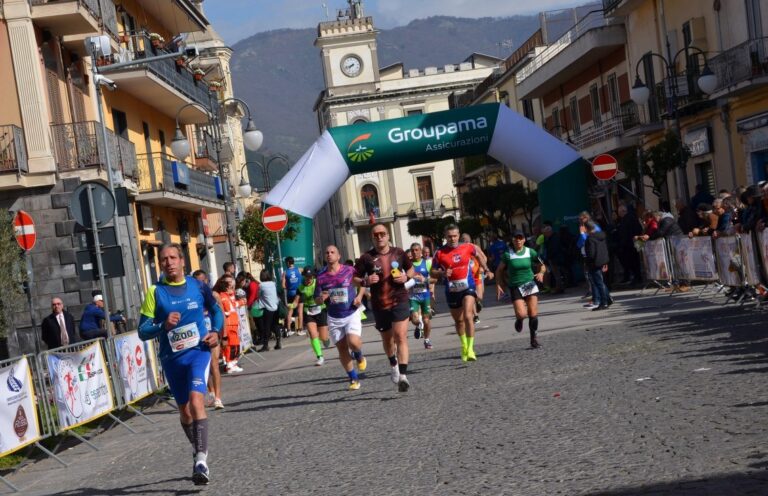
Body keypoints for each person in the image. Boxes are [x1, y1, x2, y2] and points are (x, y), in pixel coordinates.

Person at [138, 243, 223, 485]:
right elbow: (142, 331)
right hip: (172, 359)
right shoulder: (155, 292)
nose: (169, 262)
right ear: (160, 264)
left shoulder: (197, 286)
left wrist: (216, 331)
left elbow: (216, 312)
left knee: (197, 402)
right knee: (185, 413)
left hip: (198, 352)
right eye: (164, 259)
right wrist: (162, 325)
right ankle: (198, 451)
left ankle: (201, 462)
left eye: (173, 257)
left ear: (182, 261)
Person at [354, 223, 416, 392]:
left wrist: (405, 277)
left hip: (400, 299)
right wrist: (366, 281)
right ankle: (393, 363)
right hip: (380, 304)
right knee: (388, 340)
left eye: (382, 234)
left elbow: (411, 270)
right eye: (376, 235)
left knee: (400, 336)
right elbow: (355, 278)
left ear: (388, 235)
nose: (379, 237)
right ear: (372, 238)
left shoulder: (399, 253)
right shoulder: (366, 258)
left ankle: (403, 376)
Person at [432, 224, 493, 361]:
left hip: (468, 287)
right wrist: (442, 273)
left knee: (467, 316)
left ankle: (471, 349)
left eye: (454, 236)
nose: (452, 239)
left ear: (458, 235)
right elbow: (433, 272)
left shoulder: (468, 247)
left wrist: (487, 269)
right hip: (452, 290)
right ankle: (464, 345)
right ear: (445, 237)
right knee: (459, 321)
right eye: (449, 236)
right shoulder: (440, 253)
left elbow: (480, 257)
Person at [317, 245, 367, 390]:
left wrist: (359, 296)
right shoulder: (321, 276)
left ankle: (359, 355)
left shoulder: (348, 270)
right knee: (342, 349)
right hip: (334, 317)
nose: (329, 254)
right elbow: (317, 299)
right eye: (327, 252)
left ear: (338, 256)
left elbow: (362, 283)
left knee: (354, 342)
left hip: (351, 312)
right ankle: (353, 379)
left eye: (332, 252)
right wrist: (322, 298)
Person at [495, 230, 546, 348]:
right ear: (512, 240)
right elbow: (499, 271)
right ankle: (519, 320)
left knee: (533, 313)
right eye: (515, 238)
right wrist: (499, 284)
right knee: (522, 314)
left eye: (520, 238)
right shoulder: (508, 254)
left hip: (529, 284)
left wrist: (541, 273)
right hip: (515, 286)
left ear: (524, 240)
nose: (518, 240)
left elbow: (542, 265)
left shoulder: (530, 252)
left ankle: (534, 340)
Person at [193, 270, 224, 410]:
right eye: (196, 282)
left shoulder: (213, 295)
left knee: (214, 365)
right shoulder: (192, 297)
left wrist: (219, 332)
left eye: (202, 281)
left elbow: (220, 313)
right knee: (204, 368)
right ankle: (211, 392)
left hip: (212, 334)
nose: (199, 285)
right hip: (198, 337)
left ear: (206, 281)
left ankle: (218, 397)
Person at [297, 267, 329, 366]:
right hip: (309, 312)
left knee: (324, 338)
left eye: (310, 277)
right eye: (306, 277)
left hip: (320, 310)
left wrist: (324, 296)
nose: (308, 279)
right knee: (313, 333)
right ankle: (320, 357)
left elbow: (326, 292)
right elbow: (297, 302)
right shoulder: (301, 288)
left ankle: (325, 339)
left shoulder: (318, 283)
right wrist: (292, 306)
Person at [212, 275, 242, 374]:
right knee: (233, 345)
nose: (231, 286)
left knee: (233, 345)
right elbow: (228, 309)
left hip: (233, 323)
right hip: (229, 324)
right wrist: (239, 303)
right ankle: (230, 364)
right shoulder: (223, 296)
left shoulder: (227, 295)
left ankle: (232, 363)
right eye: (228, 284)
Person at [408, 243, 433, 349]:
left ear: (421, 251)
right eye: (413, 250)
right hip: (413, 296)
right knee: (414, 319)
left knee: (427, 320)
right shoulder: (408, 265)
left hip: (425, 295)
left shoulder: (427, 263)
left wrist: (425, 280)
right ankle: (419, 325)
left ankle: (427, 340)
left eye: (417, 250)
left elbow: (435, 279)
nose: (415, 252)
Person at [583, 221, 612, 311]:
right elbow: (605, 249)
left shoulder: (590, 239)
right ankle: (607, 299)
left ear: (586, 229)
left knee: (598, 283)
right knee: (600, 282)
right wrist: (605, 261)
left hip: (594, 263)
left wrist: (587, 261)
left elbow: (591, 253)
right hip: (602, 261)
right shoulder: (601, 236)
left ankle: (604, 303)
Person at [461, 233, 489, 321]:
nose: (465, 242)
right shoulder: (460, 249)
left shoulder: (475, 247)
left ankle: (477, 302)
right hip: (467, 277)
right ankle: (475, 315)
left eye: (467, 240)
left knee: (479, 296)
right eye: (463, 240)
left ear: (470, 240)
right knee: (471, 294)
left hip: (477, 274)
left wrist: (481, 267)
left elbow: (484, 258)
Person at [256, 271, 280, 351]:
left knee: (266, 326)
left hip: (266, 308)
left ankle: (265, 345)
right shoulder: (273, 283)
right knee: (275, 325)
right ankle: (278, 342)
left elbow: (258, 296)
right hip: (275, 306)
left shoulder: (261, 285)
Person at [282, 257, 302, 336]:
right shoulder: (299, 269)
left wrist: (289, 287)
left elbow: (283, 285)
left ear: (287, 263)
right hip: (299, 292)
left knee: (290, 311)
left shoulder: (285, 272)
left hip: (290, 293)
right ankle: (300, 330)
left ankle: (289, 329)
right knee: (300, 311)